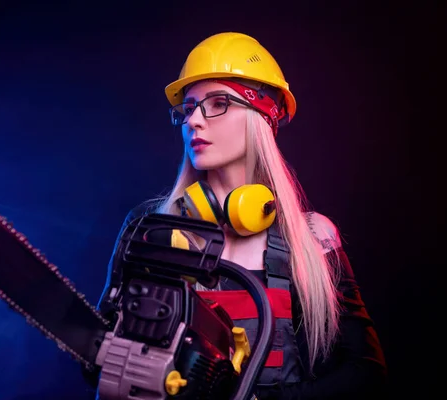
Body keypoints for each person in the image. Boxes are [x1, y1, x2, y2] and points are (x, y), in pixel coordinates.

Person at [96, 32, 387, 399]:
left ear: (260, 116)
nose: (194, 122)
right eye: (188, 108)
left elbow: (366, 372)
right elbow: (99, 359)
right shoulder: (150, 229)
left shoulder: (313, 236)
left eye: (218, 103)